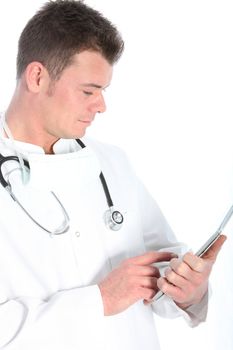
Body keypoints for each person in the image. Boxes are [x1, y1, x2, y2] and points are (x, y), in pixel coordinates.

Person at [0, 1, 226, 349]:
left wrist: (188, 290)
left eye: (102, 92)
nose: (101, 106)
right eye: (89, 91)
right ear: (37, 76)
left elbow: (161, 271)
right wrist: (99, 301)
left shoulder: (112, 163)